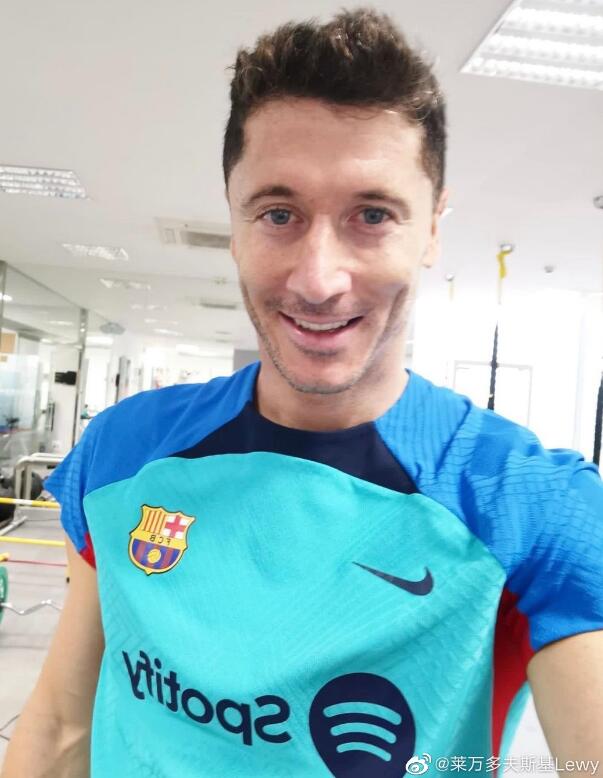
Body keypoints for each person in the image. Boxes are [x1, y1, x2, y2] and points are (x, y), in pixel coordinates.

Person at [3, 8, 603, 778]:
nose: (319, 279)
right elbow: (59, 728)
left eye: (372, 215)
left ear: (430, 229)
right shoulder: (124, 450)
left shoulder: (530, 505)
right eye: (279, 213)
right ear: (234, 222)